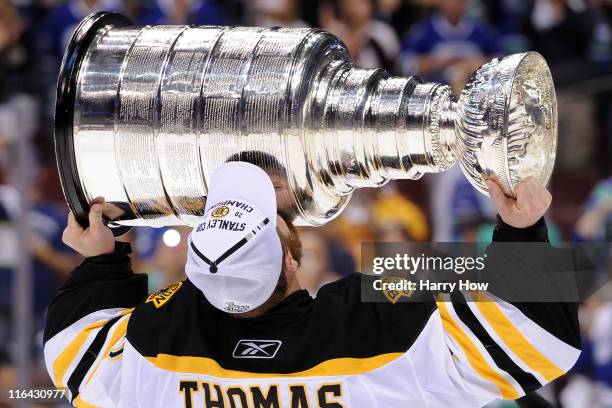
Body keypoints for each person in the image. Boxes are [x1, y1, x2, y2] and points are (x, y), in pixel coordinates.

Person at [44, 161, 581, 407]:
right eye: (281, 218)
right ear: (291, 262)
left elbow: (73, 354)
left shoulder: (156, 343)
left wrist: (103, 261)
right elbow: (539, 339)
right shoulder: (376, 323)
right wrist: (522, 231)